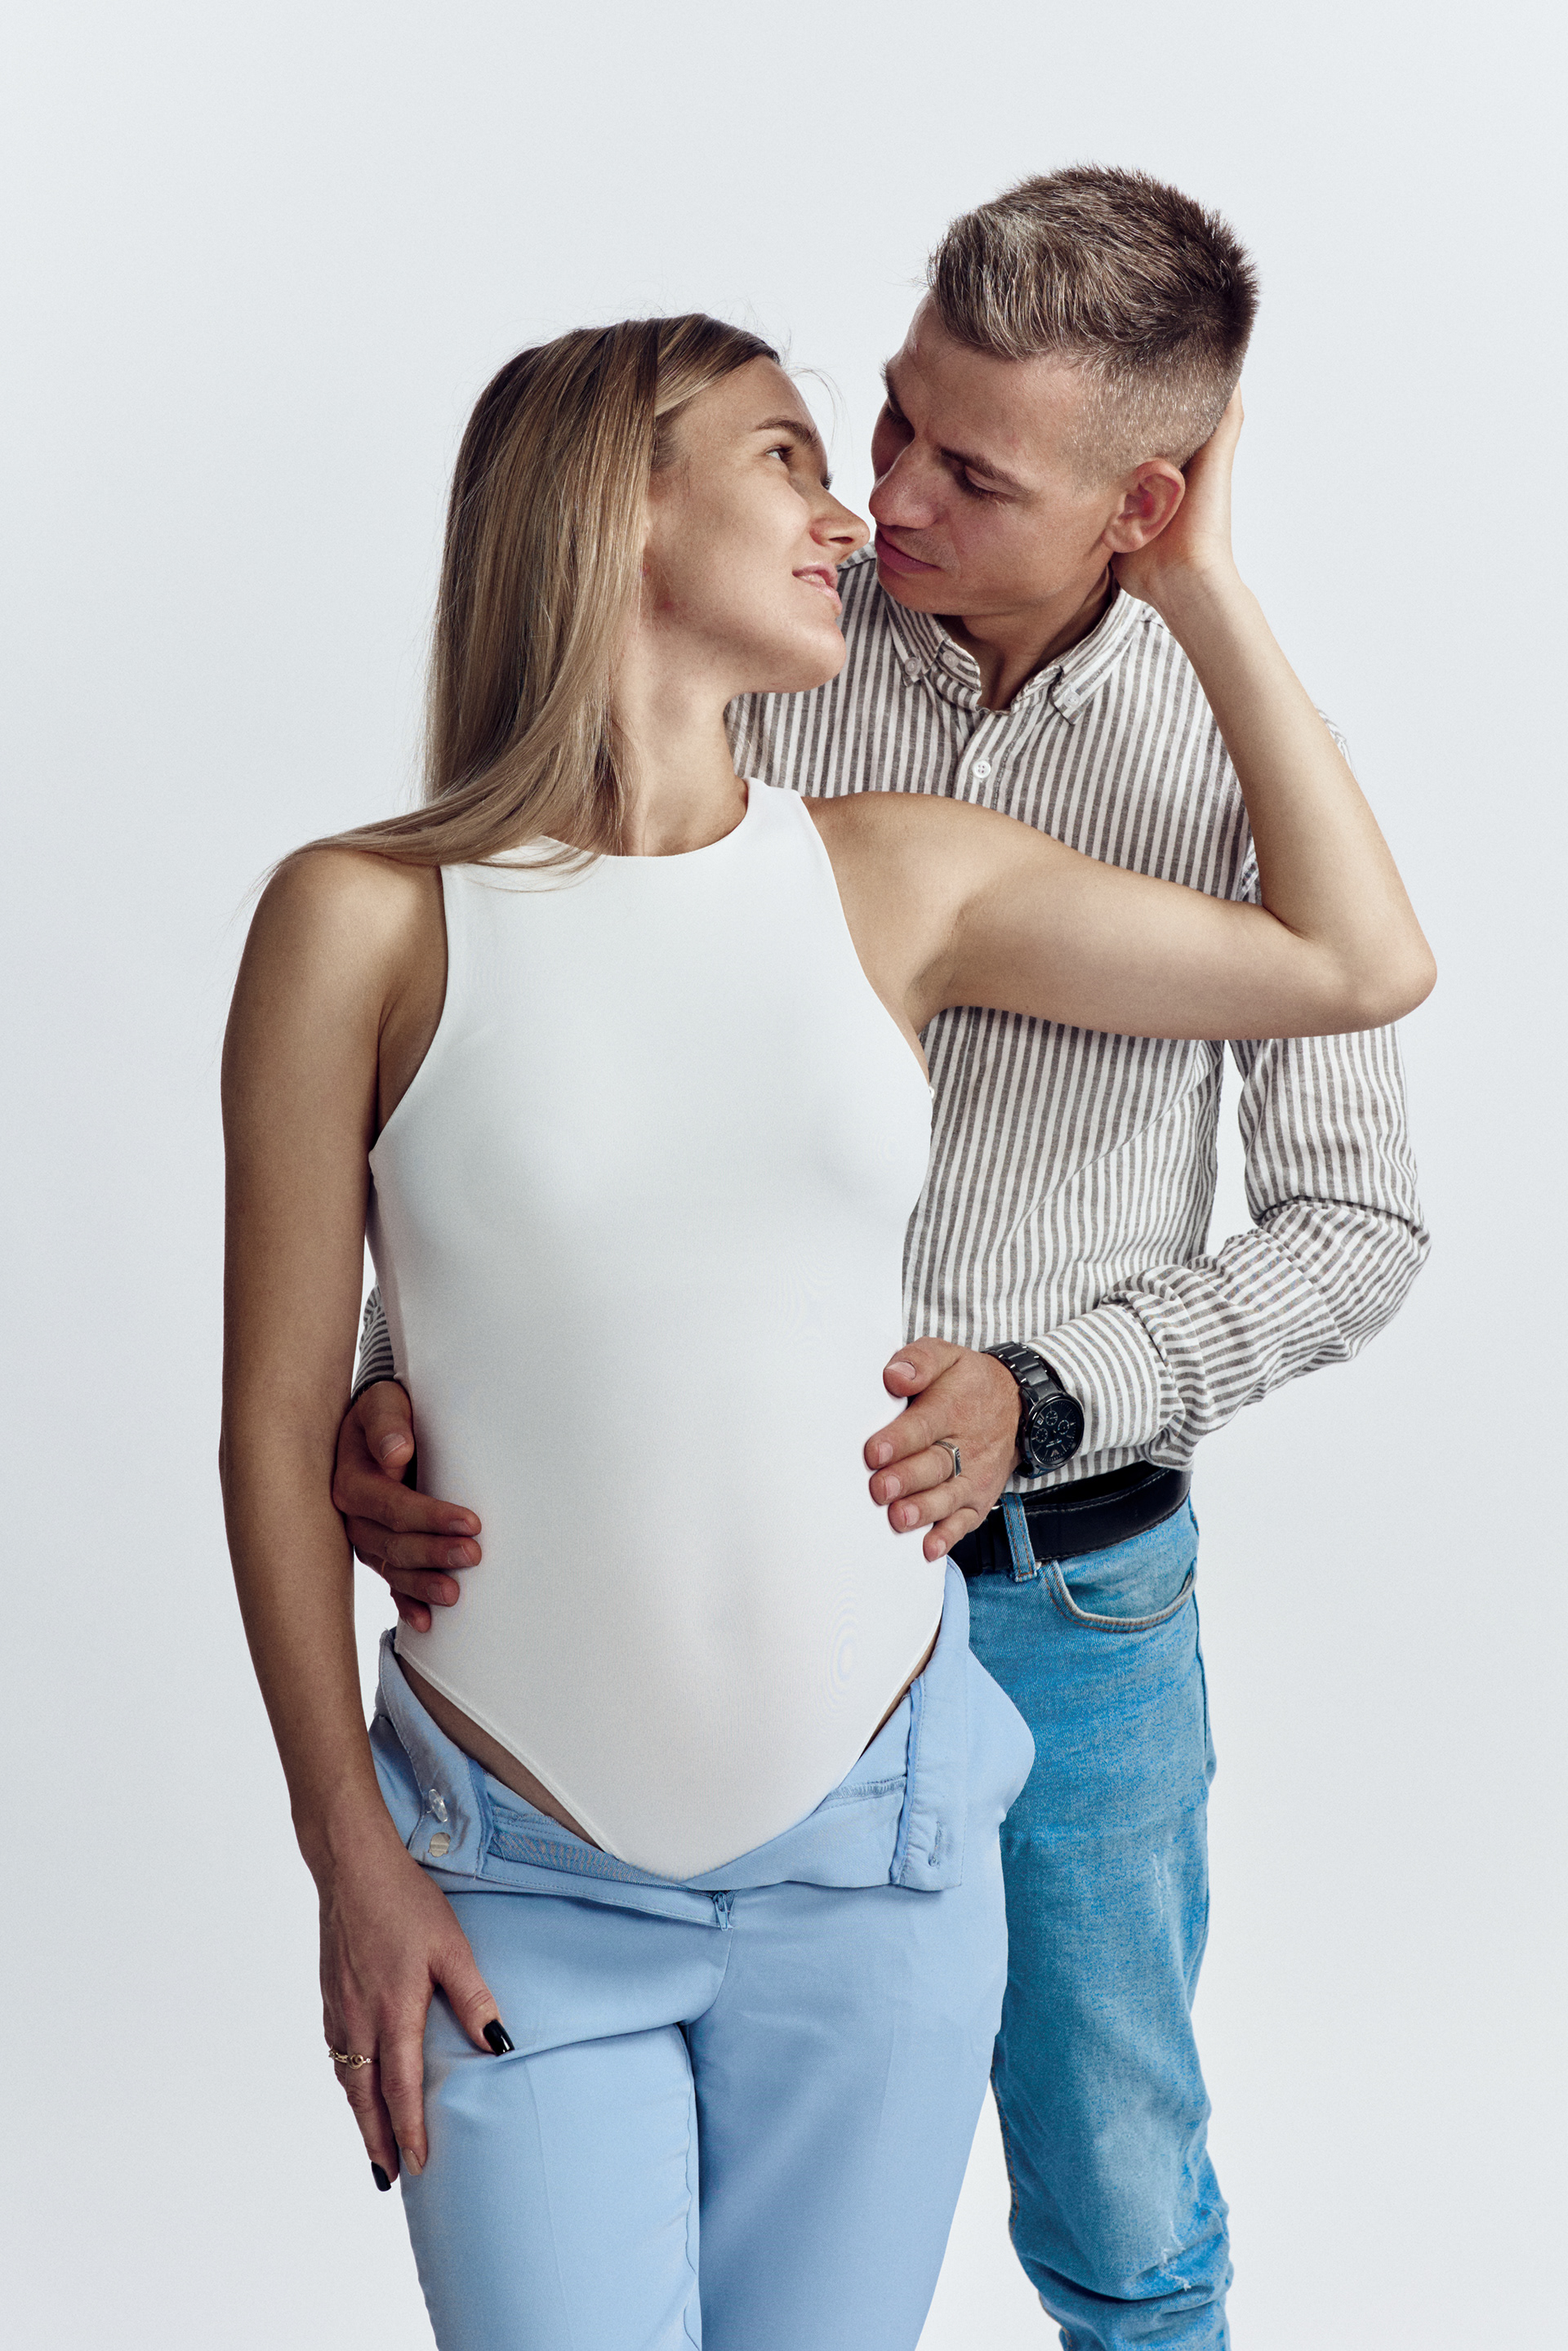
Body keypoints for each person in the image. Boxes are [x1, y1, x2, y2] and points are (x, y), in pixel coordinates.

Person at [220, 309, 1431, 2349]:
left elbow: (1358, 963)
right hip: (512, 1865)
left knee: (1121, 2218)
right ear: (617, 506)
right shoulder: (356, 916)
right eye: (794, 455)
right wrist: (349, 1847)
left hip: (882, 1846)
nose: (858, 513)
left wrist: (1204, 581)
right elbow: (271, 1424)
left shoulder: (895, 876)